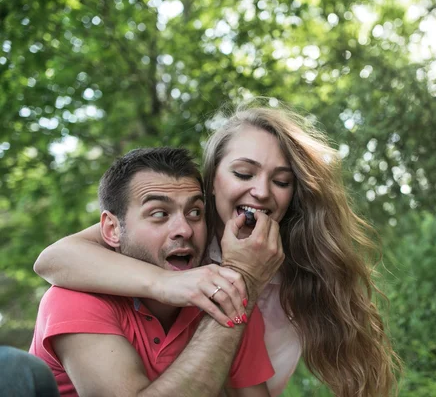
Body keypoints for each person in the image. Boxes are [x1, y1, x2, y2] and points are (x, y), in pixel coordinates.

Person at [34, 102, 401, 396]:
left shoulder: (298, 268)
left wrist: (242, 283)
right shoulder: (174, 227)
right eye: (243, 173)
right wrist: (168, 283)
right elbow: (53, 259)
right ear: (211, 183)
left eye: (282, 180)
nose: (261, 191)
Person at [29, 147, 284, 397]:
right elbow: (48, 259)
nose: (184, 229)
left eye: (195, 212)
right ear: (112, 229)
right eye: (159, 214)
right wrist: (239, 288)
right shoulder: (74, 299)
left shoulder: (224, 290)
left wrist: (238, 287)